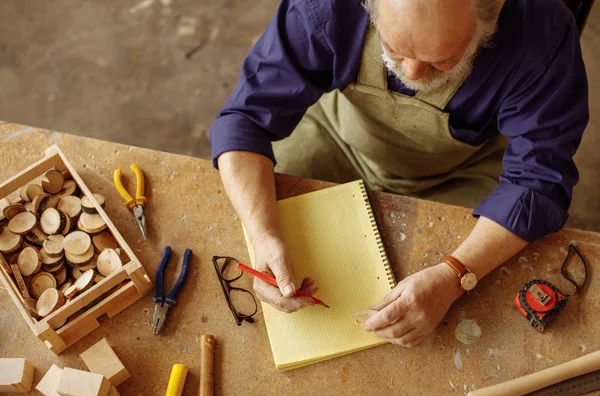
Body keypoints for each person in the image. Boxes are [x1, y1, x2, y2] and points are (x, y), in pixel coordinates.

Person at [209, 0, 589, 346]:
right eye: (394, 50)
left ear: (488, 20)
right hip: (341, 136)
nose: (412, 73)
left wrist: (454, 274)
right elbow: (245, 119)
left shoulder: (542, 33)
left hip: (462, 170)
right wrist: (262, 236)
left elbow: (536, 183)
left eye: (442, 60)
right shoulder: (326, 7)